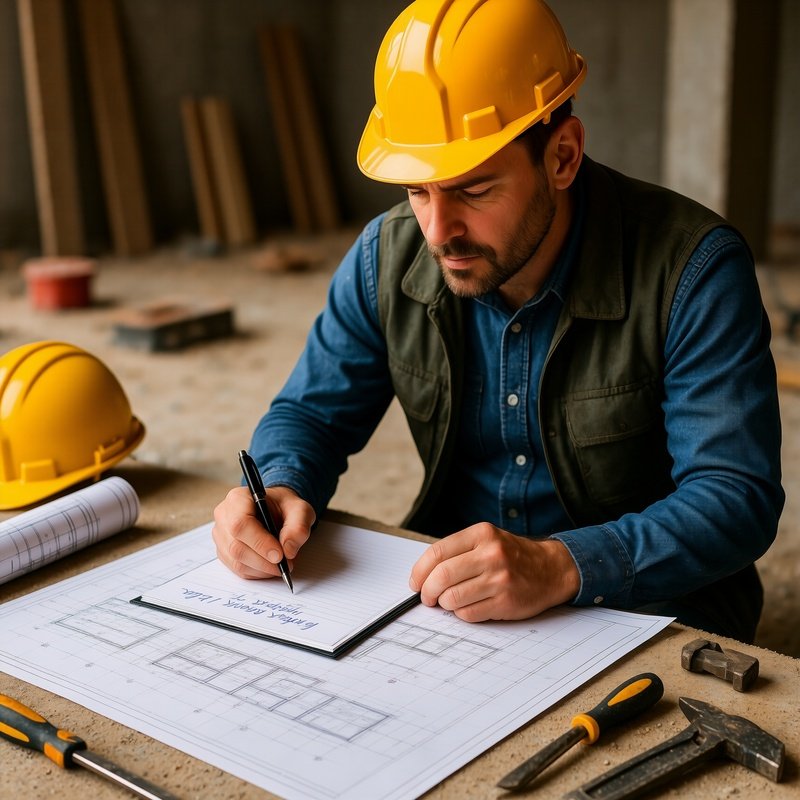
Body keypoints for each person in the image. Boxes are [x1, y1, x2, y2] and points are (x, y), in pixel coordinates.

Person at [213, 0, 783, 643]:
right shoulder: (386, 256)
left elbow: (735, 497)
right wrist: (279, 486)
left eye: (474, 190)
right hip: (457, 605)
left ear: (562, 156)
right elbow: (311, 415)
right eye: (417, 190)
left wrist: (560, 565)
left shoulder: (694, 270)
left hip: (653, 605)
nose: (438, 231)